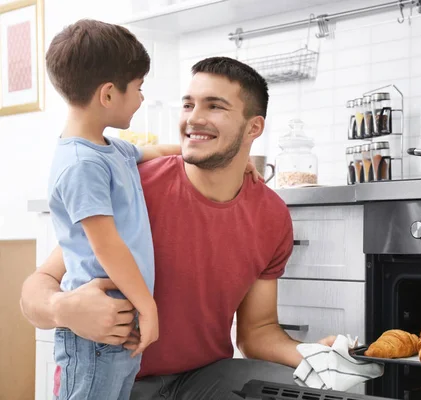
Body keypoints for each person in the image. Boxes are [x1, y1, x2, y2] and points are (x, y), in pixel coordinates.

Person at [22, 55, 335, 399]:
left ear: (253, 128)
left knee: (302, 389)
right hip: (122, 381)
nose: (194, 118)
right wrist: (62, 309)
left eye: (215, 106)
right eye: (188, 104)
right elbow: (37, 288)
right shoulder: (133, 185)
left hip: (203, 378)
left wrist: (313, 355)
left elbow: (258, 331)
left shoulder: (271, 215)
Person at [42, 20, 262, 400]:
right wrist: (148, 306)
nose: (143, 98)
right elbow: (106, 245)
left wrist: (235, 156)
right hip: (101, 327)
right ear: (109, 95)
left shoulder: (109, 149)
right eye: (139, 88)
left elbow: (159, 150)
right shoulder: (82, 165)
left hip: (121, 323)